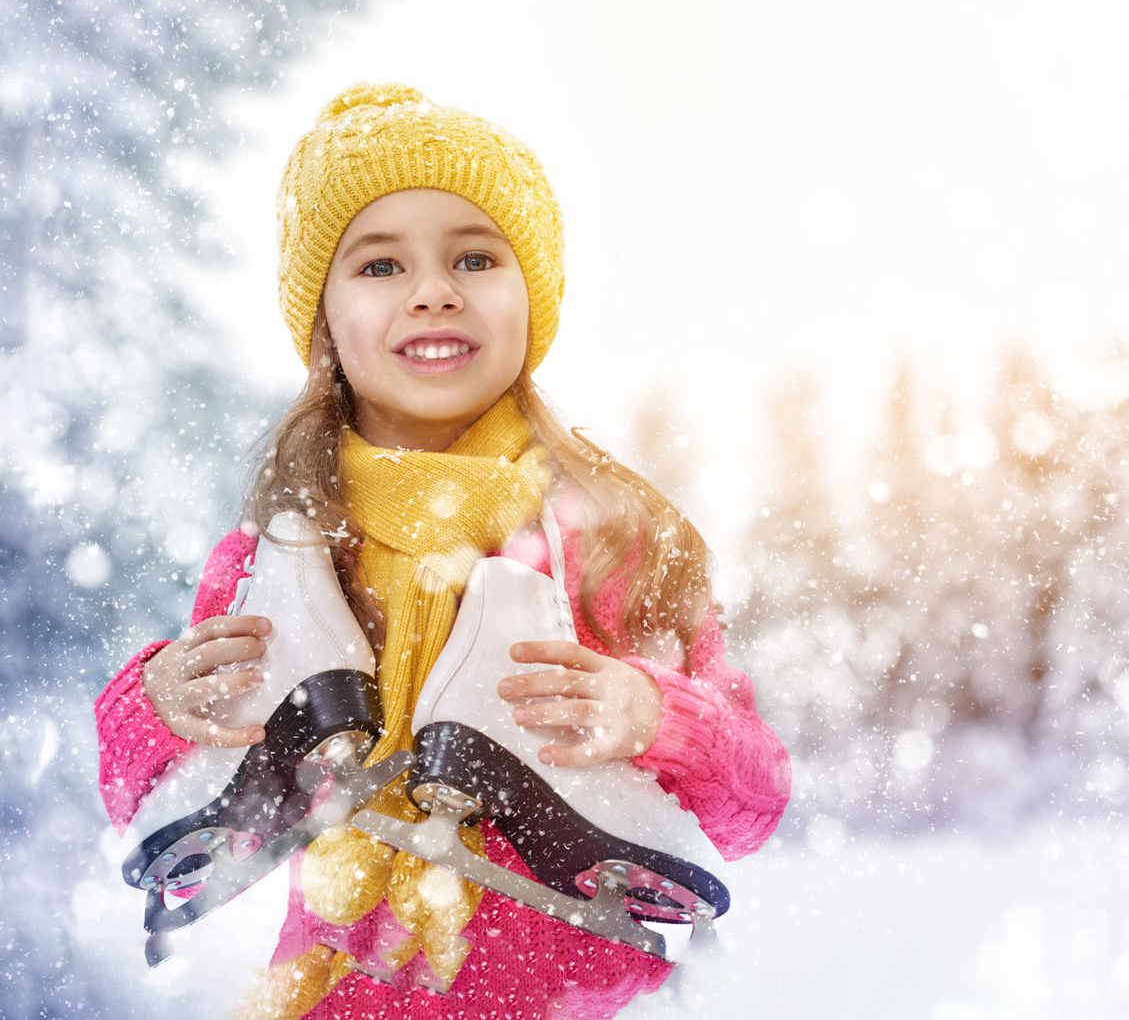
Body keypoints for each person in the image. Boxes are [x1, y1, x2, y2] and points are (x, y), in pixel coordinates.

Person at [93, 81, 790, 1020]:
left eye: (475, 256)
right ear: (325, 319)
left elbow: (754, 798)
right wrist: (159, 704)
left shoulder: (611, 539)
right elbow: (131, 785)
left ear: (528, 299)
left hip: (576, 1000)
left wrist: (654, 716)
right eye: (380, 267)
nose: (433, 291)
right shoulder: (283, 555)